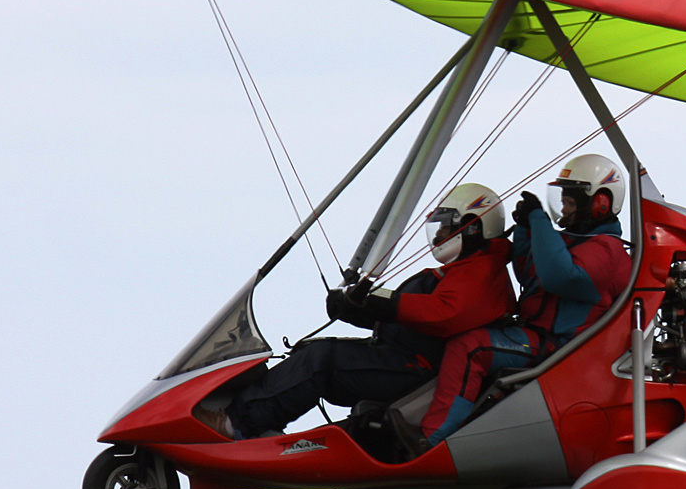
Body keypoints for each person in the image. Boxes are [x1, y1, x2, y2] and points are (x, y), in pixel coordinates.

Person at [199, 184, 514, 440]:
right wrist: (359, 308)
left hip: (417, 370)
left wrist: (384, 304)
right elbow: (410, 316)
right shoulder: (464, 270)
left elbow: (445, 314)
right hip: (402, 357)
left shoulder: (485, 272)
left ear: (472, 228)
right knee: (316, 352)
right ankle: (248, 415)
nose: (439, 236)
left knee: (320, 360)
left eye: (447, 227)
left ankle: (235, 424)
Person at [419, 154, 632, 445]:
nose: (564, 210)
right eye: (563, 202)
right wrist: (524, 230)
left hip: (562, 348)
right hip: (537, 336)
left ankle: (433, 440)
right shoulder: (573, 242)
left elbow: (560, 276)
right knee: (459, 334)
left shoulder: (608, 250)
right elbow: (531, 275)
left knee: (470, 348)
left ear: (600, 204)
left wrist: (538, 220)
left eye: (571, 203)